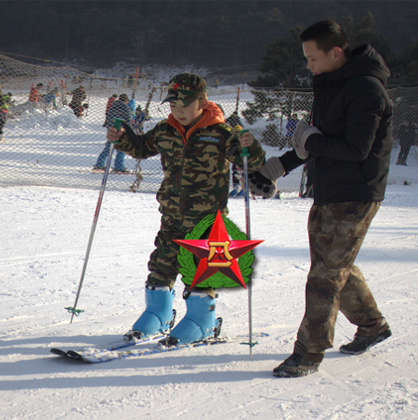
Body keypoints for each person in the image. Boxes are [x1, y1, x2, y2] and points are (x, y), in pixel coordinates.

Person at [248, 19, 393, 377]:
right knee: (334, 267)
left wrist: (311, 140)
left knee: (326, 275)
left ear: (336, 52)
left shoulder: (366, 89)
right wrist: (275, 168)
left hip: (356, 192)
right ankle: (372, 325)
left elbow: (355, 149)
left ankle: (308, 353)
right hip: (330, 188)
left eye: (313, 58)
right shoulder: (332, 84)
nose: (309, 65)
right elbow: (314, 141)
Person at [106, 73, 265, 345]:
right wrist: (122, 139)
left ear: (202, 102)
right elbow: (142, 147)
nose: (178, 111)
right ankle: (158, 313)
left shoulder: (221, 133)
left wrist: (252, 147)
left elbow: (248, 160)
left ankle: (202, 321)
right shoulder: (165, 130)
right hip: (171, 215)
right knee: (161, 264)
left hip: (206, 221)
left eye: (184, 106)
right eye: (173, 106)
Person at [94, 94, 131, 173]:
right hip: (121, 133)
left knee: (108, 149)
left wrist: (111, 128)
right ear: (126, 100)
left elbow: (108, 120)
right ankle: (119, 166)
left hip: (112, 132)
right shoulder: (126, 109)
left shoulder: (112, 108)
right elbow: (127, 122)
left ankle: (99, 164)